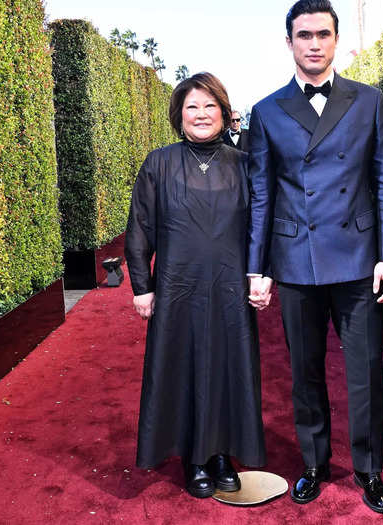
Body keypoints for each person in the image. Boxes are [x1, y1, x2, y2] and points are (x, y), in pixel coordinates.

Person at [247, 0, 383, 514]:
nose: (314, 43)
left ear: (335, 41)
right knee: (305, 371)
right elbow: (262, 194)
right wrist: (258, 266)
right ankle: (314, 464)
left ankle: (369, 469)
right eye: (304, 34)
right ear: (288, 42)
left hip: (358, 261)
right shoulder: (267, 111)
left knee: (366, 371)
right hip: (295, 261)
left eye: (323, 34)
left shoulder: (369, 101)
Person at [125, 72, 269, 499]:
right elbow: (140, 228)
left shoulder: (245, 164)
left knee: (228, 369)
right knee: (183, 368)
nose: (201, 114)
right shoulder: (159, 163)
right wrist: (141, 286)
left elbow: (261, 226)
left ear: (224, 112)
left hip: (229, 288)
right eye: (192, 107)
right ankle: (193, 457)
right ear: (179, 115)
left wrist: (261, 273)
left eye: (210, 106)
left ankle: (222, 454)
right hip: (176, 288)